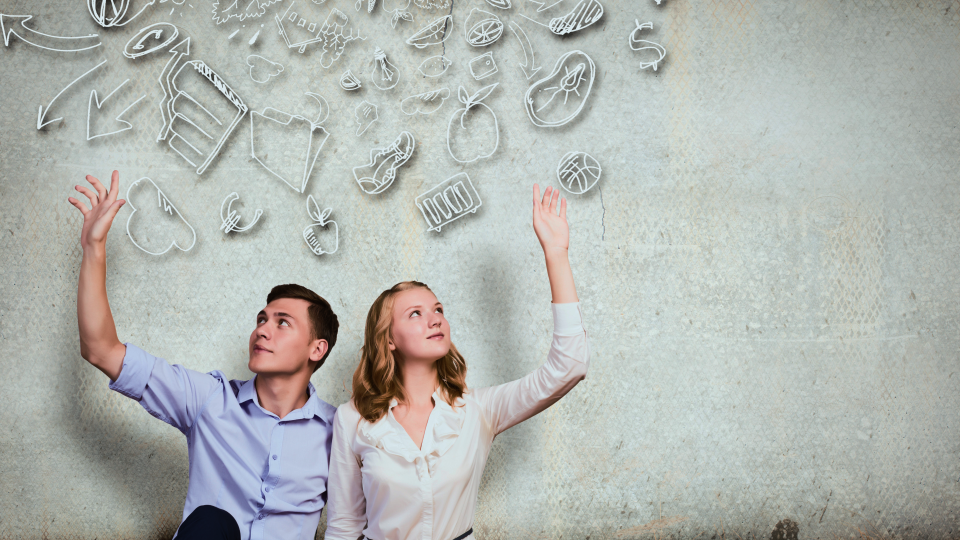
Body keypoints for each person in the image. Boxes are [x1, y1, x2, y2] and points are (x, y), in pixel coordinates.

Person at [68, 171, 340, 540]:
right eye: (261, 319)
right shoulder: (209, 399)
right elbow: (100, 349)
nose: (262, 329)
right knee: (215, 521)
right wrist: (93, 248)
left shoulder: (340, 431)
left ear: (317, 348)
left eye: (282, 323)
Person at [325, 185, 590, 540]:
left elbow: (570, 366)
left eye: (438, 310)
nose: (434, 319)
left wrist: (556, 254)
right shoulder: (351, 419)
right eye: (415, 314)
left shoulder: (478, 410)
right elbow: (343, 527)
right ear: (388, 339)